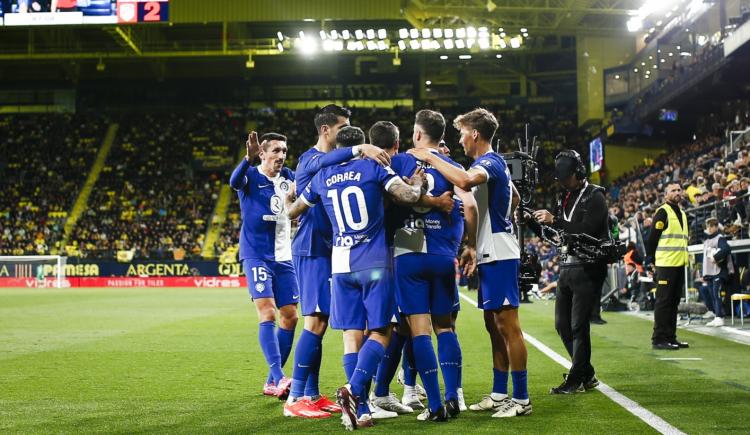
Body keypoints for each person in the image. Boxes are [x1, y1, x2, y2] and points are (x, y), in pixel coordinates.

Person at [286, 126, 424, 430]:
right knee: (382, 331)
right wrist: (418, 181)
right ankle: (356, 389)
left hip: (340, 264)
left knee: (351, 336)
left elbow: (293, 210)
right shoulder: (373, 166)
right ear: (362, 145)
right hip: (373, 262)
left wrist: (286, 198)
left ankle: (361, 411)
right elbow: (408, 195)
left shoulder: (322, 177)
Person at [408, 108, 531, 418]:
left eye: (462, 133)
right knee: (493, 325)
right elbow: (514, 197)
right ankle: (500, 392)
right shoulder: (493, 164)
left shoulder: (488, 162)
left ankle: (522, 399)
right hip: (491, 250)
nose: (460, 139)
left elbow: (463, 178)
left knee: (509, 326)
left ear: (475, 134)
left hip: (500, 253)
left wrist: (430, 155)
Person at [284, 105, 391, 419]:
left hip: (334, 251)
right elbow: (326, 167)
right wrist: (360, 147)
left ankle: (313, 394)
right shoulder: (311, 159)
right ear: (326, 130)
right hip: (312, 249)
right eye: (342, 126)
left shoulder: (339, 162)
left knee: (327, 322)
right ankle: (294, 397)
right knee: (315, 321)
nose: (346, 132)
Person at [388, 110, 478, 421]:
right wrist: (471, 246)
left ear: (415, 134)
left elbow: (392, 196)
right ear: (442, 136)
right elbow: (471, 205)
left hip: (410, 246)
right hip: (442, 251)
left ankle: (435, 405)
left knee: (419, 331)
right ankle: (455, 397)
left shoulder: (400, 161)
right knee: (446, 327)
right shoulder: (452, 165)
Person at [530, 150, 609, 394]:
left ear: (578, 173)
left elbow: (587, 229)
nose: (562, 182)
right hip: (567, 265)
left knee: (578, 325)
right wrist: (533, 222)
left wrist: (555, 221)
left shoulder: (595, 196)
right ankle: (587, 373)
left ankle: (576, 379)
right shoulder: (564, 196)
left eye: (566, 177)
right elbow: (556, 235)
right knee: (561, 324)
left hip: (588, 266)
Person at [229, 131, 298, 400]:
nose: (281, 155)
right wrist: (246, 159)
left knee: (291, 315)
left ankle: (272, 381)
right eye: (276, 150)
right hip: (256, 254)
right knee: (267, 313)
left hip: (284, 255)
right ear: (262, 153)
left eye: (284, 150)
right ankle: (280, 377)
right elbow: (234, 180)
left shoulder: (289, 178)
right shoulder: (251, 176)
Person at [646, 183, 690, 350]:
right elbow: (652, 239)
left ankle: (671, 337)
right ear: (666, 195)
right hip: (665, 264)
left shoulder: (683, 214)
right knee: (664, 302)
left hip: (678, 264)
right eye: (673, 190)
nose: (677, 192)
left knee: (673, 302)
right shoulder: (663, 212)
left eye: (679, 190)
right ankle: (659, 338)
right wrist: (650, 261)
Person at [702, 217, 734, 327]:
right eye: (708, 226)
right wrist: (704, 273)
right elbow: (705, 259)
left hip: (719, 271)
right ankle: (716, 315)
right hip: (710, 272)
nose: (709, 228)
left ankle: (720, 317)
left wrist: (715, 258)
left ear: (716, 227)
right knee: (711, 293)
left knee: (716, 293)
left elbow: (726, 249)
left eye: (712, 226)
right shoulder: (706, 241)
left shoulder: (720, 238)